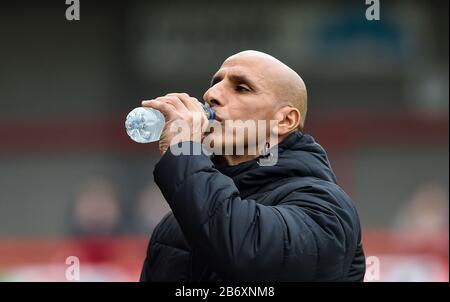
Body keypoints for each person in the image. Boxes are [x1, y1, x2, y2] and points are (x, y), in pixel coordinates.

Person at [139, 50, 366, 281]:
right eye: (215, 84)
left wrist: (184, 152)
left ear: (285, 120)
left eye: (241, 88)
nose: (211, 94)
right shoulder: (176, 224)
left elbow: (251, 257)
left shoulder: (326, 207)